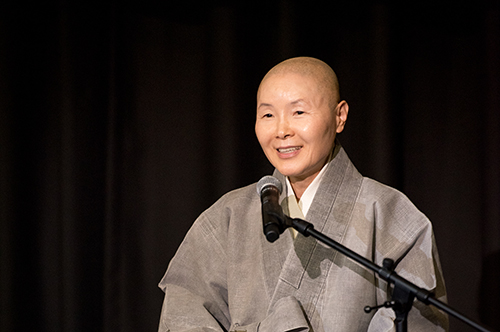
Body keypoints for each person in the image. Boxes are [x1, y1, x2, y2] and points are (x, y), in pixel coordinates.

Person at [158, 57, 448, 331]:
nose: (282, 130)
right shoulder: (227, 217)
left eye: (298, 112)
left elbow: (417, 319)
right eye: (268, 114)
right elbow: (185, 310)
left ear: (339, 116)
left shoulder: (391, 214)